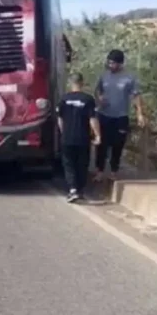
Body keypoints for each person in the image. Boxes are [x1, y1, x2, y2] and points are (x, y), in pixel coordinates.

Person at [94, 49, 146, 181]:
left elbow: (136, 96)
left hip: (121, 116)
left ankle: (114, 171)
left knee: (118, 144)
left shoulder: (129, 78)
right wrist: (100, 99)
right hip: (104, 115)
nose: (110, 65)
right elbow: (98, 91)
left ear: (120, 64)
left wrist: (139, 114)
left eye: (113, 63)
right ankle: (99, 171)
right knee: (102, 145)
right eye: (109, 62)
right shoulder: (104, 75)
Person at [57, 72, 101, 203]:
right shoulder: (88, 99)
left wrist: (63, 132)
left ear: (71, 83)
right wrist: (98, 135)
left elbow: (60, 120)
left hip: (67, 138)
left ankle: (72, 189)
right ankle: (80, 190)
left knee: (68, 164)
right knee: (82, 164)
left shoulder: (63, 99)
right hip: (83, 138)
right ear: (82, 83)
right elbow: (92, 119)